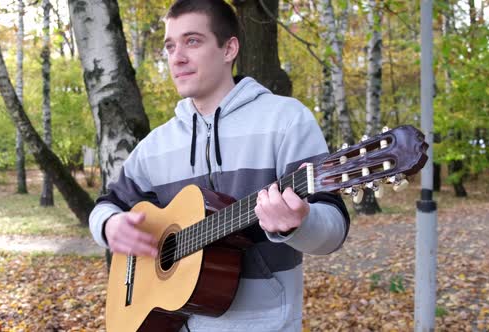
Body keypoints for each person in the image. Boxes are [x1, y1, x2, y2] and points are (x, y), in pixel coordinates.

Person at [89, 0, 350, 331]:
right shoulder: (154, 146)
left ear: (229, 49)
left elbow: (334, 229)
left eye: (192, 41)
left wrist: (299, 222)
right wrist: (110, 226)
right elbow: (108, 204)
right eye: (170, 46)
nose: (177, 57)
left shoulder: (286, 120)